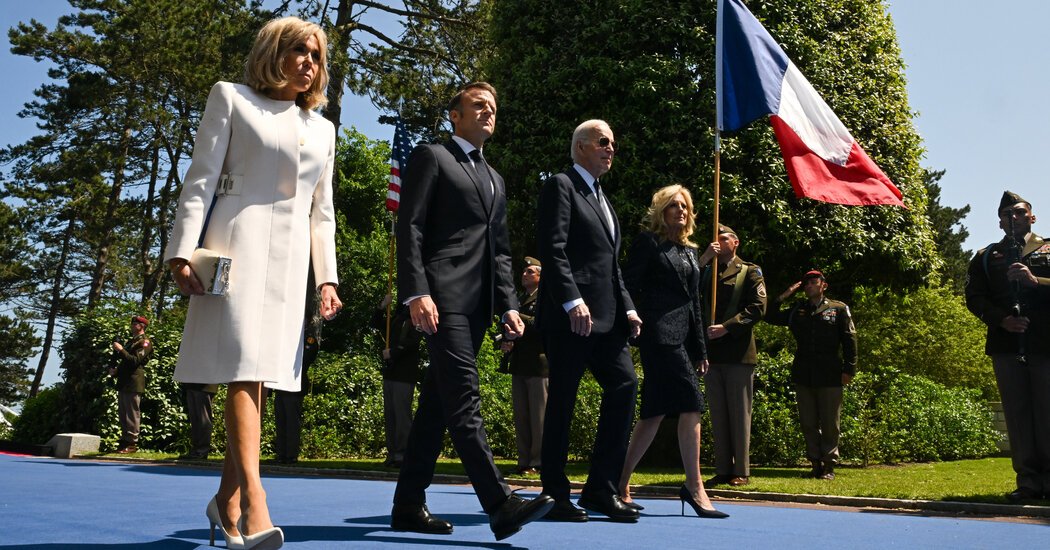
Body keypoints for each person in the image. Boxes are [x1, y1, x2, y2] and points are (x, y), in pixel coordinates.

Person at [164, 17, 342, 550]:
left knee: (261, 377)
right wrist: (180, 253)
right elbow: (200, 179)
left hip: (290, 265)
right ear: (272, 52)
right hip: (235, 248)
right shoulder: (232, 98)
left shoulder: (323, 129)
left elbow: (323, 212)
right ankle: (257, 503)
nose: (309, 62)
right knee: (243, 370)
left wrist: (327, 279)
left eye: (316, 55)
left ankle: (226, 500)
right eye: (299, 50)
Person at [392, 81, 554, 541]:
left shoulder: (495, 178)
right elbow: (411, 227)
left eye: (493, 107)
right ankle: (500, 504)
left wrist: (508, 305)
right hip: (441, 299)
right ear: (455, 116)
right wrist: (416, 292)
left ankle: (407, 505)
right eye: (478, 105)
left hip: (479, 306)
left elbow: (501, 251)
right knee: (464, 397)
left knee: (438, 405)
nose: (488, 112)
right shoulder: (432, 157)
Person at [536, 119, 643, 523]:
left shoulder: (603, 199)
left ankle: (600, 488)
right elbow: (553, 249)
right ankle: (554, 493)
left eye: (612, 143)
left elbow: (610, 266)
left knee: (625, 384)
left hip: (608, 320)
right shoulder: (561, 186)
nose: (610, 148)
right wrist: (571, 301)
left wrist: (628, 307)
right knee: (562, 401)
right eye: (602, 142)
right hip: (571, 319)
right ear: (581, 146)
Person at [618, 185, 728, 519]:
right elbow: (627, 284)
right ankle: (694, 487)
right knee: (692, 402)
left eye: (685, 206)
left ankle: (618, 483)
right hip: (657, 336)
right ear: (661, 210)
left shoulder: (690, 251)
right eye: (674, 205)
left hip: (683, 338)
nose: (681, 210)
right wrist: (633, 317)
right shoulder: (648, 243)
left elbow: (693, 301)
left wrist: (701, 349)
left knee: (653, 412)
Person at [965, 190, 1050, 502]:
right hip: (1006, 345)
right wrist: (1002, 320)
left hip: (1045, 344)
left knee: (1047, 412)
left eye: (1019, 212)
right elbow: (974, 298)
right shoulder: (986, 256)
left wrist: (1035, 281)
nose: (1013, 218)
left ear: (1032, 217)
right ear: (999, 222)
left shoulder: (1048, 248)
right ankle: (1028, 482)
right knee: (1017, 414)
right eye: (1006, 214)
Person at [767, 270, 857, 480]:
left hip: (830, 373)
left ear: (824, 285)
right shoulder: (797, 310)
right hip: (804, 373)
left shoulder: (838, 308)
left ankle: (829, 465)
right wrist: (784, 295)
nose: (809, 286)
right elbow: (769, 316)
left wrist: (849, 369)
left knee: (830, 422)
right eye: (806, 283)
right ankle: (815, 463)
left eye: (813, 282)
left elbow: (850, 340)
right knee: (808, 422)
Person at [699, 224, 767, 487]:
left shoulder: (749, 271)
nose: (718, 241)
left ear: (736, 242)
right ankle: (723, 469)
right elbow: (688, 289)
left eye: (723, 238)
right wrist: (704, 259)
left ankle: (741, 470)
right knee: (718, 414)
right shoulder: (707, 271)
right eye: (715, 238)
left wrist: (727, 327)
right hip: (712, 354)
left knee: (739, 414)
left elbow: (758, 307)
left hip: (738, 353)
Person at [500, 256, 548, 476]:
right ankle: (523, 460)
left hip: (538, 365)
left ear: (540, 276)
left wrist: (515, 316)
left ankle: (538, 461)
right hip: (519, 363)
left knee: (538, 417)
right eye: (524, 271)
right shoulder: (519, 299)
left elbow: (540, 325)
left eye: (530, 272)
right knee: (521, 416)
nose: (525, 274)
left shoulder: (545, 297)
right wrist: (506, 340)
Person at [372, 294, 425, 469]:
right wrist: (382, 307)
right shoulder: (396, 319)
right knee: (390, 415)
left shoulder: (416, 319)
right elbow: (375, 324)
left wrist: (392, 353)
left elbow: (413, 343)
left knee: (402, 415)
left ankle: (403, 454)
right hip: (390, 373)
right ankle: (392, 453)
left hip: (405, 374)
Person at [109, 315, 153, 454]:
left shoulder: (145, 342)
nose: (132, 325)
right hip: (124, 381)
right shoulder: (131, 342)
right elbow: (126, 362)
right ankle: (124, 441)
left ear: (142, 326)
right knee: (123, 413)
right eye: (132, 323)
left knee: (132, 414)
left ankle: (132, 442)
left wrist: (121, 350)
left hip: (134, 382)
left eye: (135, 324)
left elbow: (135, 361)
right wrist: (116, 371)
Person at [182, 383, 218, 459]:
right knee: (195, 420)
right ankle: (196, 450)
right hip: (192, 384)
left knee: (203, 419)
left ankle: (202, 451)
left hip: (205, 385)